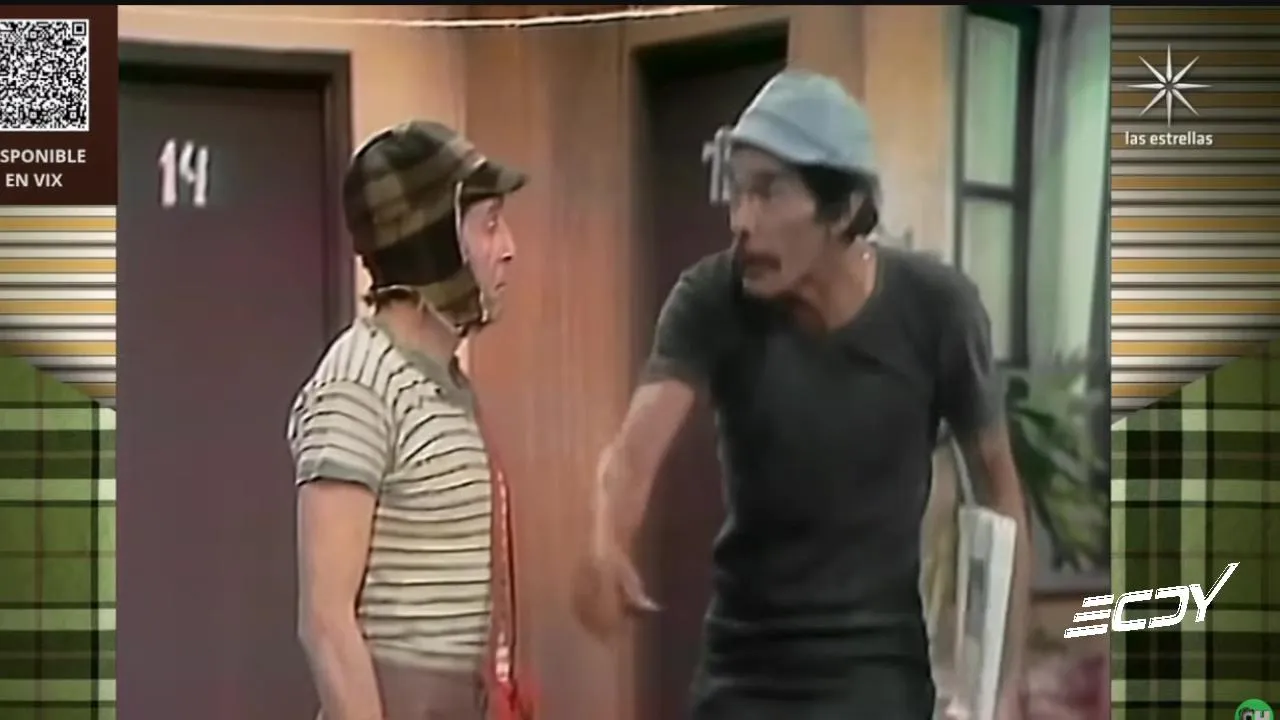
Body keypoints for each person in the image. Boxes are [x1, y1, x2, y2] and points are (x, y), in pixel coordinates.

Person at [574, 70, 1031, 719]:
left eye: (768, 193)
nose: (742, 221)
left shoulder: (938, 309)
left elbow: (999, 494)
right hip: (743, 672)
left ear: (843, 209)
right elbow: (630, 456)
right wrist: (606, 541)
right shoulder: (711, 298)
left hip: (876, 673)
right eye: (737, 191)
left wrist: (1001, 687)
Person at [286, 120, 526, 720]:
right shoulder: (359, 382)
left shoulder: (445, 380)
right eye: (489, 224)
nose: (508, 247)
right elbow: (326, 621)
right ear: (434, 242)